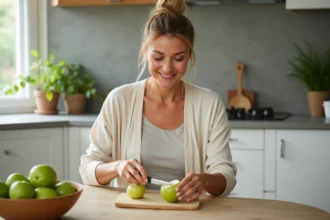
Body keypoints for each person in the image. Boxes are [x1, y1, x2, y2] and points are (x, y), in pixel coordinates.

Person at [79, 0, 237, 202]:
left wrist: (204, 180)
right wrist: (117, 167)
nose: (167, 68)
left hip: (190, 214)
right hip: (131, 214)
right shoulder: (120, 100)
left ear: (189, 56)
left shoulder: (209, 104)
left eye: (178, 58)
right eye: (158, 57)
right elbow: (87, 168)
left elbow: (227, 175)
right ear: (145, 52)